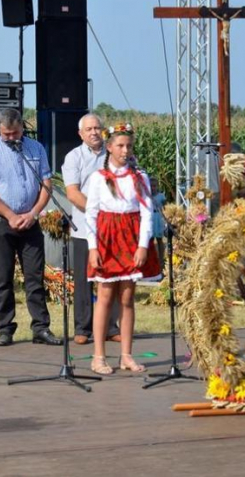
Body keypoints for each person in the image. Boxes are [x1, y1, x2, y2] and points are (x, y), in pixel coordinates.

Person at [0, 108, 62, 347]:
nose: (11, 138)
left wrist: (33, 214)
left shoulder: (36, 148)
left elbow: (46, 184)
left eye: (14, 133)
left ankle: (41, 328)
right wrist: (10, 215)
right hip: (1, 221)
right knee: (3, 278)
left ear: (22, 128)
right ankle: (5, 329)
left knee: (35, 278)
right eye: (6, 134)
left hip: (31, 221)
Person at [85, 123, 161, 375]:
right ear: (109, 147)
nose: (124, 150)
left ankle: (126, 355)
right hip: (107, 237)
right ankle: (98, 356)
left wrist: (142, 245)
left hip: (131, 235)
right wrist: (93, 247)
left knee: (127, 297)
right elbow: (91, 213)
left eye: (128, 145)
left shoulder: (139, 177)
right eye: (119, 145)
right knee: (105, 295)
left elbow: (147, 212)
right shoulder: (98, 178)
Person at [61, 113, 121, 345]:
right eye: (89, 129)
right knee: (84, 279)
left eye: (97, 128)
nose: (94, 132)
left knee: (111, 277)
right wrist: (97, 212)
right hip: (85, 229)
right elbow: (72, 193)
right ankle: (83, 328)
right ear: (81, 134)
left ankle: (110, 327)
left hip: (112, 228)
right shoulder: (73, 157)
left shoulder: (113, 155)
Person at [150, 176, 167, 272]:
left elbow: (166, 207)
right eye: (151, 186)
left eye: (154, 186)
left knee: (160, 240)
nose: (153, 188)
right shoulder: (147, 196)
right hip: (151, 218)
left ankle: (161, 259)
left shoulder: (161, 196)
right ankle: (152, 260)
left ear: (157, 186)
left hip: (158, 218)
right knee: (151, 240)